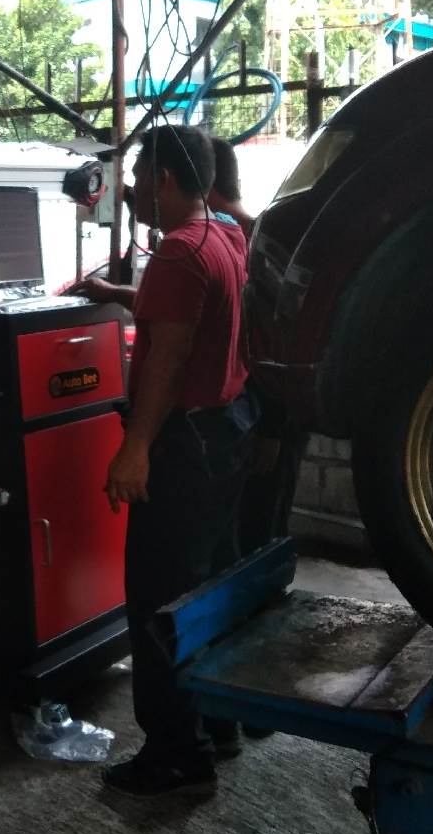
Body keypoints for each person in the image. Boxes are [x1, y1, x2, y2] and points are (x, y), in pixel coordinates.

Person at [79, 124, 257, 797]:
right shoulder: (222, 234)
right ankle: (216, 723)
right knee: (206, 587)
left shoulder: (178, 252)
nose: (130, 193)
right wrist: (118, 294)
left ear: (162, 179)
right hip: (227, 431)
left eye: (135, 179)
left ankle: (175, 755)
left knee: (158, 602)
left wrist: (134, 448)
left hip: (183, 442)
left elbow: (169, 358)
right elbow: (183, 316)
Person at [206, 136, 308, 556]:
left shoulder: (256, 244)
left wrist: (273, 428)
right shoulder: (242, 235)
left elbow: (284, 342)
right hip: (254, 415)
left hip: (271, 418)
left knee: (258, 534)